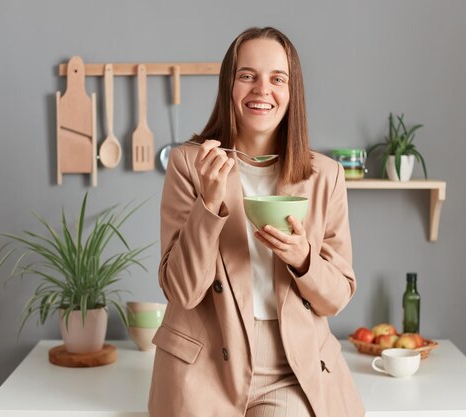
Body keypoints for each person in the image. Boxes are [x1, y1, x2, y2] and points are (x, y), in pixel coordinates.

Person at [148, 27, 365, 417]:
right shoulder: (189, 164)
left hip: (291, 369)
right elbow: (182, 291)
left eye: (277, 79)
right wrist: (208, 204)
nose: (261, 90)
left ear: (291, 91)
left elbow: (337, 296)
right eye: (247, 75)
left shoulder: (325, 176)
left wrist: (304, 260)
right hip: (203, 368)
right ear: (229, 86)